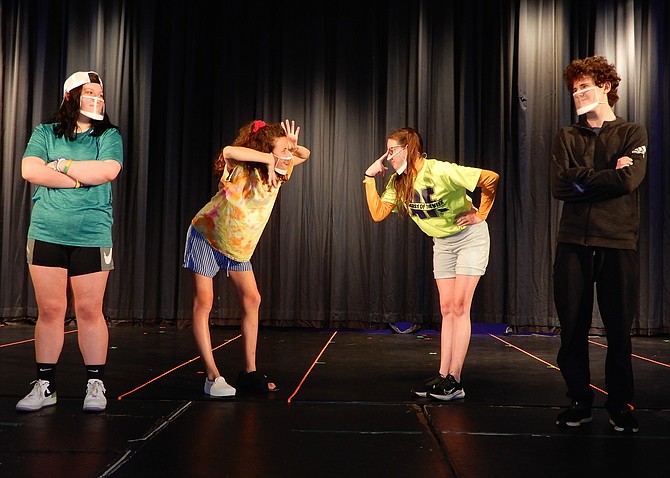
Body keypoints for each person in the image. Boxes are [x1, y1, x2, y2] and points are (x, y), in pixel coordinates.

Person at [363, 127, 499, 401]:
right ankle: (443, 375)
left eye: (393, 150)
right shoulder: (399, 183)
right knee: (447, 309)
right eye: (387, 151)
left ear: (409, 148)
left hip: (469, 238)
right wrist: (368, 178)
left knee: (460, 307)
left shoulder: (439, 170)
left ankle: (455, 381)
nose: (388, 156)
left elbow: (490, 178)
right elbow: (378, 213)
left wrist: (480, 214)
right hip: (443, 243)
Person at [17, 71, 123, 412]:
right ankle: (45, 384)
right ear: (70, 96)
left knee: (90, 311)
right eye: (89, 91)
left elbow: (106, 171)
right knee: (50, 310)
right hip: (47, 230)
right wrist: (79, 179)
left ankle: (95, 383)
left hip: (92, 233)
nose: (97, 98)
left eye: (100, 92)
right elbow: (31, 170)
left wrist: (61, 165)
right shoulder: (45, 132)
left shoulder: (107, 134)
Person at [551, 56, 647, 433]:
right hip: (573, 242)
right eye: (573, 89)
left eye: (584, 86)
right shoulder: (566, 137)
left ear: (606, 86)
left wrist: (584, 181)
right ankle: (579, 400)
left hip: (619, 242)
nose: (577, 94)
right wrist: (610, 173)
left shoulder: (632, 133)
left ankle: (620, 404)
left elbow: (629, 182)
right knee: (571, 326)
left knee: (619, 329)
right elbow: (561, 186)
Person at [183, 119, 310, 397]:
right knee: (204, 302)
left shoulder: (282, 169)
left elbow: (305, 154)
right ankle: (212, 376)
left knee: (253, 299)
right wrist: (270, 157)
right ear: (266, 150)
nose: (286, 157)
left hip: (238, 247)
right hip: (208, 235)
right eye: (281, 152)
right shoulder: (240, 166)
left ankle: (249, 373)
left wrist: (290, 148)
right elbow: (229, 150)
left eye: (286, 153)